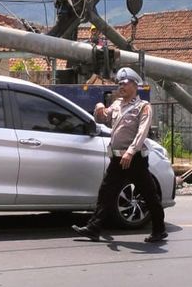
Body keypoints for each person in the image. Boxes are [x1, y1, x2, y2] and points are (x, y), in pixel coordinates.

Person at [72, 67, 168, 243]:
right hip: (117, 158)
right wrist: (99, 108)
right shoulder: (117, 104)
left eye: (124, 83)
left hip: (135, 159)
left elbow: (142, 132)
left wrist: (131, 151)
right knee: (106, 192)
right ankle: (94, 228)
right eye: (119, 84)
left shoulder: (143, 107)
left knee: (148, 194)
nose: (121, 87)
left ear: (135, 85)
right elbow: (103, 118)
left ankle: (159, 230)